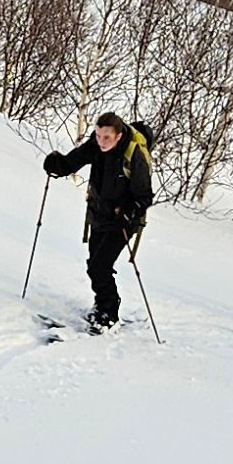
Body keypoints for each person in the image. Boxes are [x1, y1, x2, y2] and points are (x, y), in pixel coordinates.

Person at [41, 112, 153, 328]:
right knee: (94, 264)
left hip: (123, 222)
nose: (101, 141)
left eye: (106, 137)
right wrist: (57, 165)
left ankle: (108, 313)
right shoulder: (96, 144)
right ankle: (102, 305)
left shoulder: (134, 155)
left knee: (99, 266)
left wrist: (128, 211)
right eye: (98, 135)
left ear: (118, 136)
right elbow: (73, 161)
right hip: (100, 214)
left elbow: (144, 196)